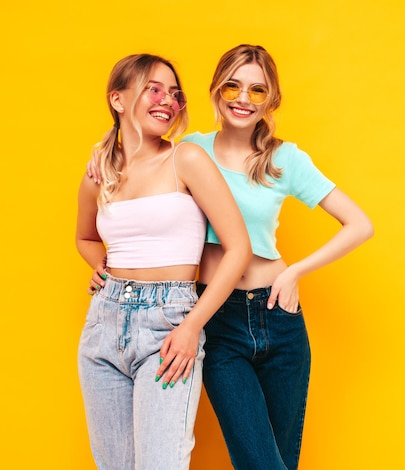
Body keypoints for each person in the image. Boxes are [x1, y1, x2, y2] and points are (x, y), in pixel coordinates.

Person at [88, 44, 373, 470]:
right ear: (216, 90)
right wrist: (104, 149)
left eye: (257, 91)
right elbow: (138, 154)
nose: (243, 99)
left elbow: (359, 225)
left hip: (279, 317)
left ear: (271, 98)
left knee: (278, 462)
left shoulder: (285, 159)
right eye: (233, 86)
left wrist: (295, 271)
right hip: (217, 317)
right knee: (257, 460)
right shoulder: (189, 150)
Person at [76, 53, 251, 470]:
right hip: (103, 324)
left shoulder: (185, 160)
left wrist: (192, 326)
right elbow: (84, 237)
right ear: (118, 99)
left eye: (175, 94)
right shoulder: (100, 171)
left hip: (168, 324)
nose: (168, 101)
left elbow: (238, 248)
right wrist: (98, 264)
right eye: (154, 89)